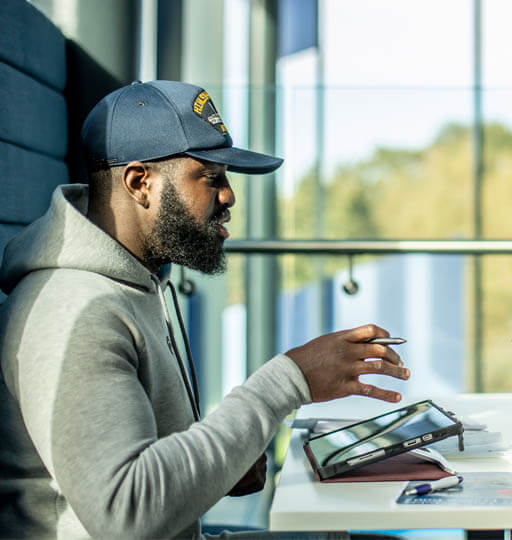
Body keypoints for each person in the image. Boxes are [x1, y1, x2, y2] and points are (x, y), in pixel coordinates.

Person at [0, 80, 410, 538]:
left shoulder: (137, 284)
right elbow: (126, 514)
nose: (229, 196)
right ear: (141, 183)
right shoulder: (75, 310)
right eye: (211, 177)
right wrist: (285, 383)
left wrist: (223, 463)